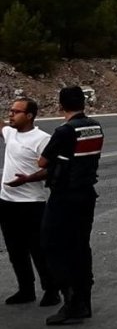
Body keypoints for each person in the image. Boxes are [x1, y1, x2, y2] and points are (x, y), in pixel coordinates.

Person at [38, 87, 102, 325]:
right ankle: (84, 301)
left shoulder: (64, 131)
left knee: (53, 246)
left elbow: (42, 160)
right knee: (80, 247)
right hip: (86, 194)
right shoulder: (95, 126)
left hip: (65, 196)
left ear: (60, 105)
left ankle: (71, 301)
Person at [0, 97, 57, 307]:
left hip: (32, 204)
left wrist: (28, 179)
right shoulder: (10, 133)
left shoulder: (42, 139)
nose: (10, 114)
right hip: (7, 203)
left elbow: (52, 168)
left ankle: (51, 290)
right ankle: (25, 289)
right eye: (10, 110)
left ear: (30, 116)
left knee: (39, 250)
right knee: (15, 250)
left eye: (16, 111)